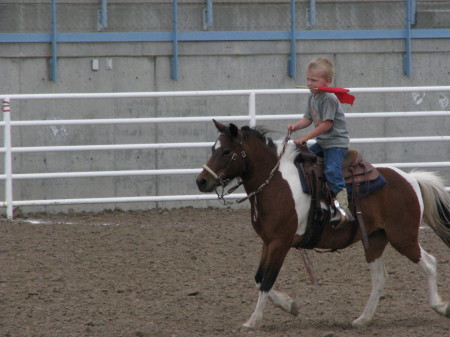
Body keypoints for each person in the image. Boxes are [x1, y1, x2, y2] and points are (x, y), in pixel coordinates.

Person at [287, 57, 354, 227]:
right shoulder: (313, 97)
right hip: (323, 143)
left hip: (335, 143)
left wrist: (305, 137)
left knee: (331, 170)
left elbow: (326, 124)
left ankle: (344, 208)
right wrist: (296, 126)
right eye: (308, 79)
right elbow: (308, 118)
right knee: (299, 159)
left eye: (314, 80)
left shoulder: (329, 98)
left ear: (327, 81)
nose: (309, 83)